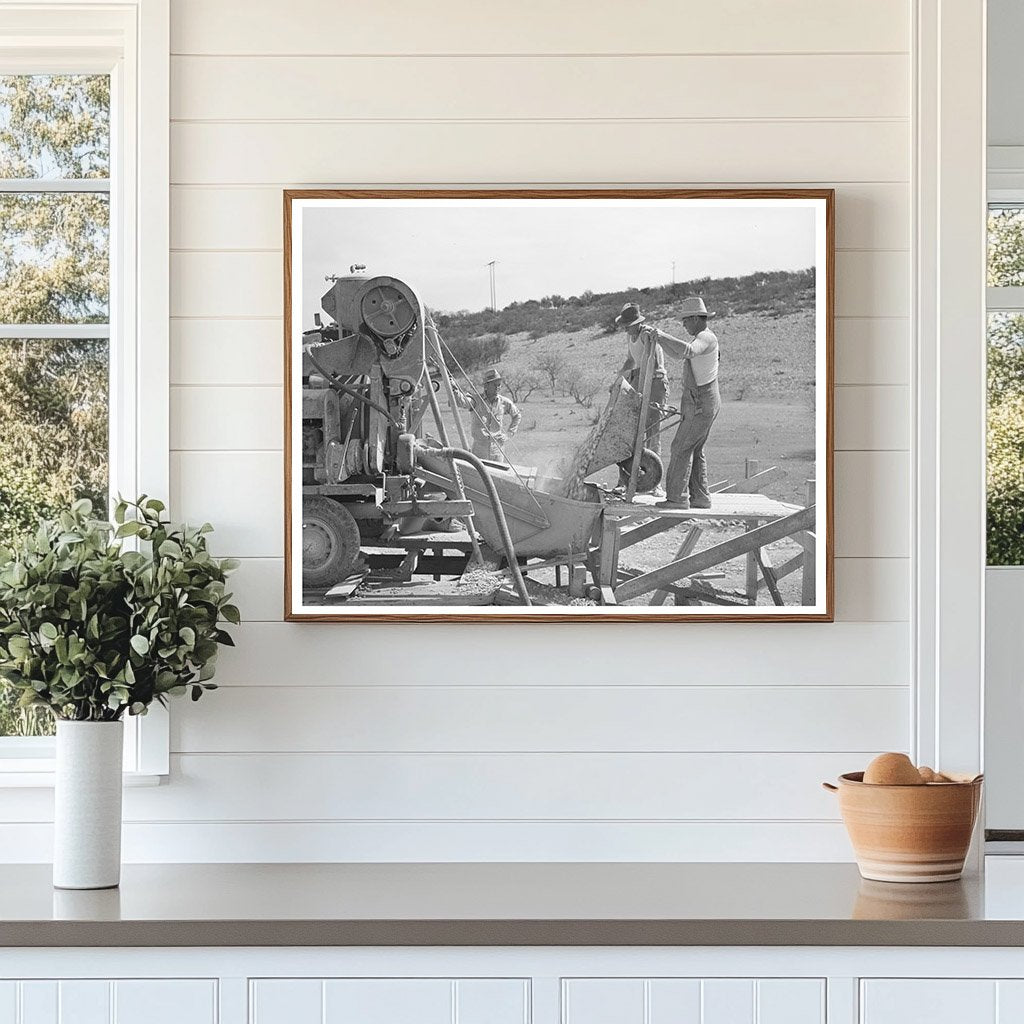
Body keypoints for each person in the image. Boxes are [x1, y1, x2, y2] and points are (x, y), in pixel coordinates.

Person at [638, 295, 721, 510]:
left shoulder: (705, 338)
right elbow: (678, 354)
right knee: (695, 448)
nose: (683, 325)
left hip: (700, 401)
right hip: (702, 400)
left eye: (685, 320)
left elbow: (687, 351)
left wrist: (661, 335)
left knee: (681, 447)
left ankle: (677, 497)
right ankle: (700, 497)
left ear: (695, 318)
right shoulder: (701, 337)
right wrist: (659, 339)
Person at [613, 303, 669, 497]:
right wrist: (618, 378)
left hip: (654, 382)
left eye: (627, 325)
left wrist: (640, 389)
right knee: (632, 432)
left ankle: (655, 483)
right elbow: (631, 360)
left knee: (653, 432)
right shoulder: (631, 336)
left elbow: (650, 364)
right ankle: (626, 480)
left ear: (636, 323)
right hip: (640, 379)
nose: (625, 328)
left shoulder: (646, 335)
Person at [456, 367, 522, 462]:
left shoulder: (504, 402)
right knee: (479, 475)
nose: (497, 387)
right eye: (495, 385)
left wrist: (508, 434)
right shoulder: (476, 400)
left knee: (497, 475)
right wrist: (455, 390)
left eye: (499, 385)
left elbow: (517, 415)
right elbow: (462, 402)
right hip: (479, 451)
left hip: (498, 451)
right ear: (486, 386)